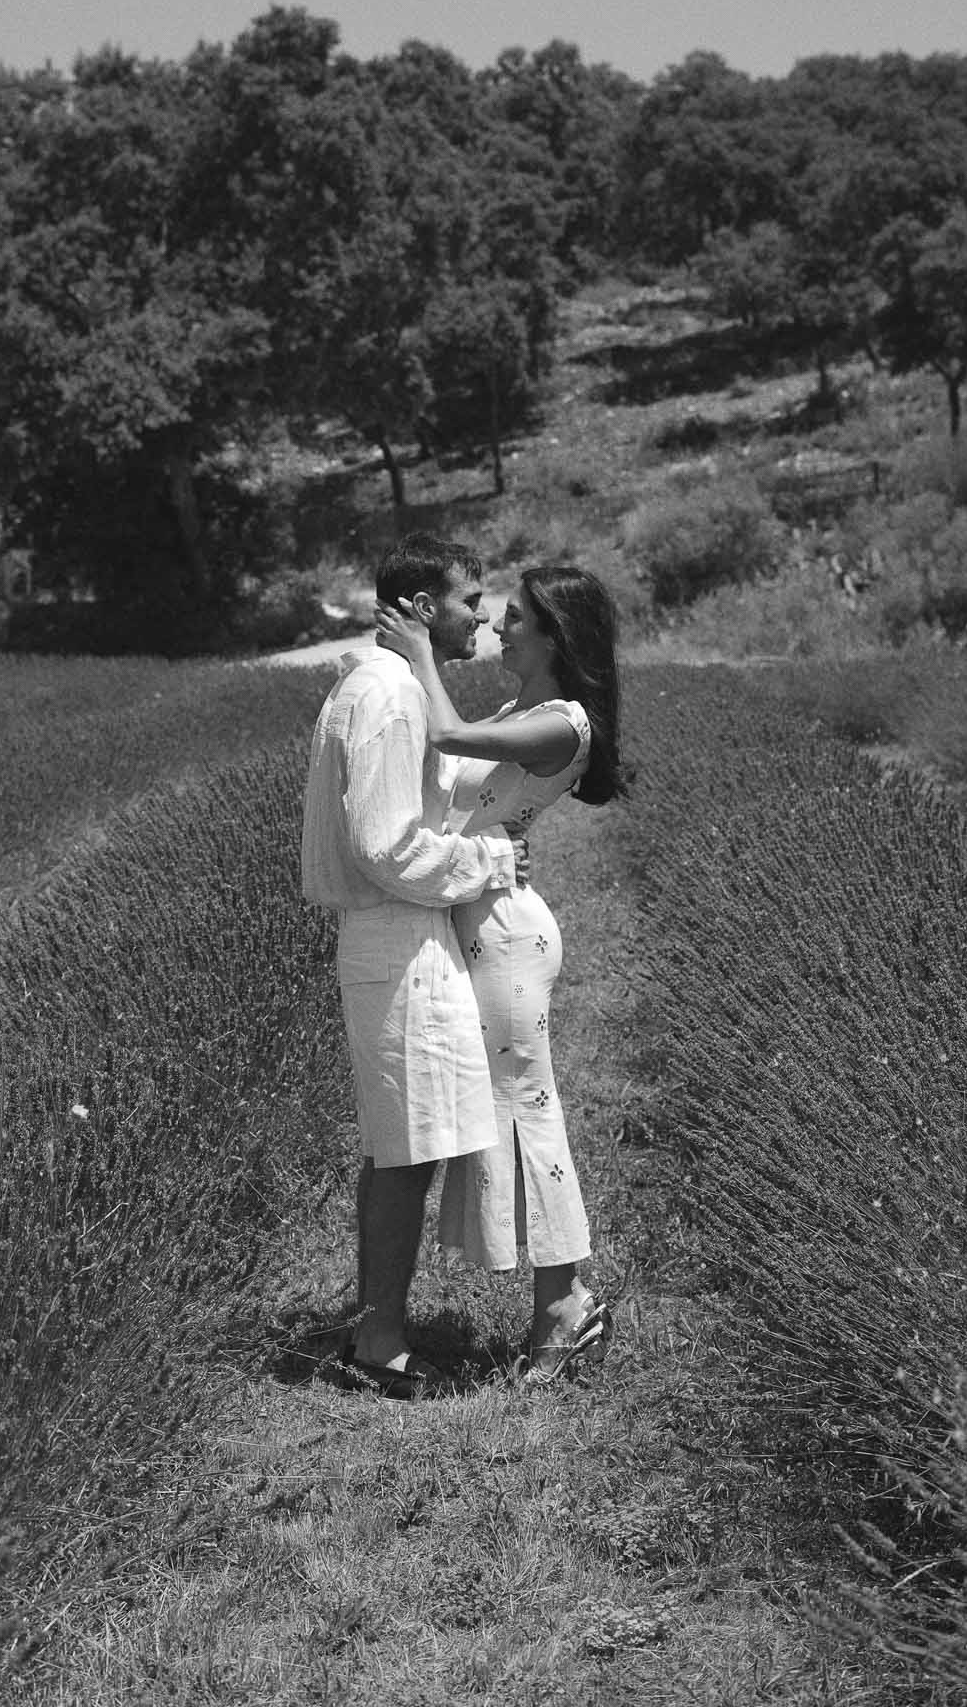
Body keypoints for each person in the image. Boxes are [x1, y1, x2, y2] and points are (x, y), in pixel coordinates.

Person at [374, 564, 627, 1383]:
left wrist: (416, 650)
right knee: (500, 1109)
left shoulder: (563, 722)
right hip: (476, 917)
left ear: (555, 635)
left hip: (506, 933)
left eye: (516, 618)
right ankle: (560, 1300)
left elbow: (445, 739)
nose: (498, 627)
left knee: (527, 1108)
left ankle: (566, 1304)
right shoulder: (521, 711)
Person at [301, 532, 526, 1399]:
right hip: (395, 935)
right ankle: (378, 1343)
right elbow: (386, 844)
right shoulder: (391, 695)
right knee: (402, 1151)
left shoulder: (387, 685)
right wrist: (490, 862)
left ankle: (380, 1327)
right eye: (473, 599)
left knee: (412, 1143)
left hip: (400, 934)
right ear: (426, 608)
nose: (486, 614)